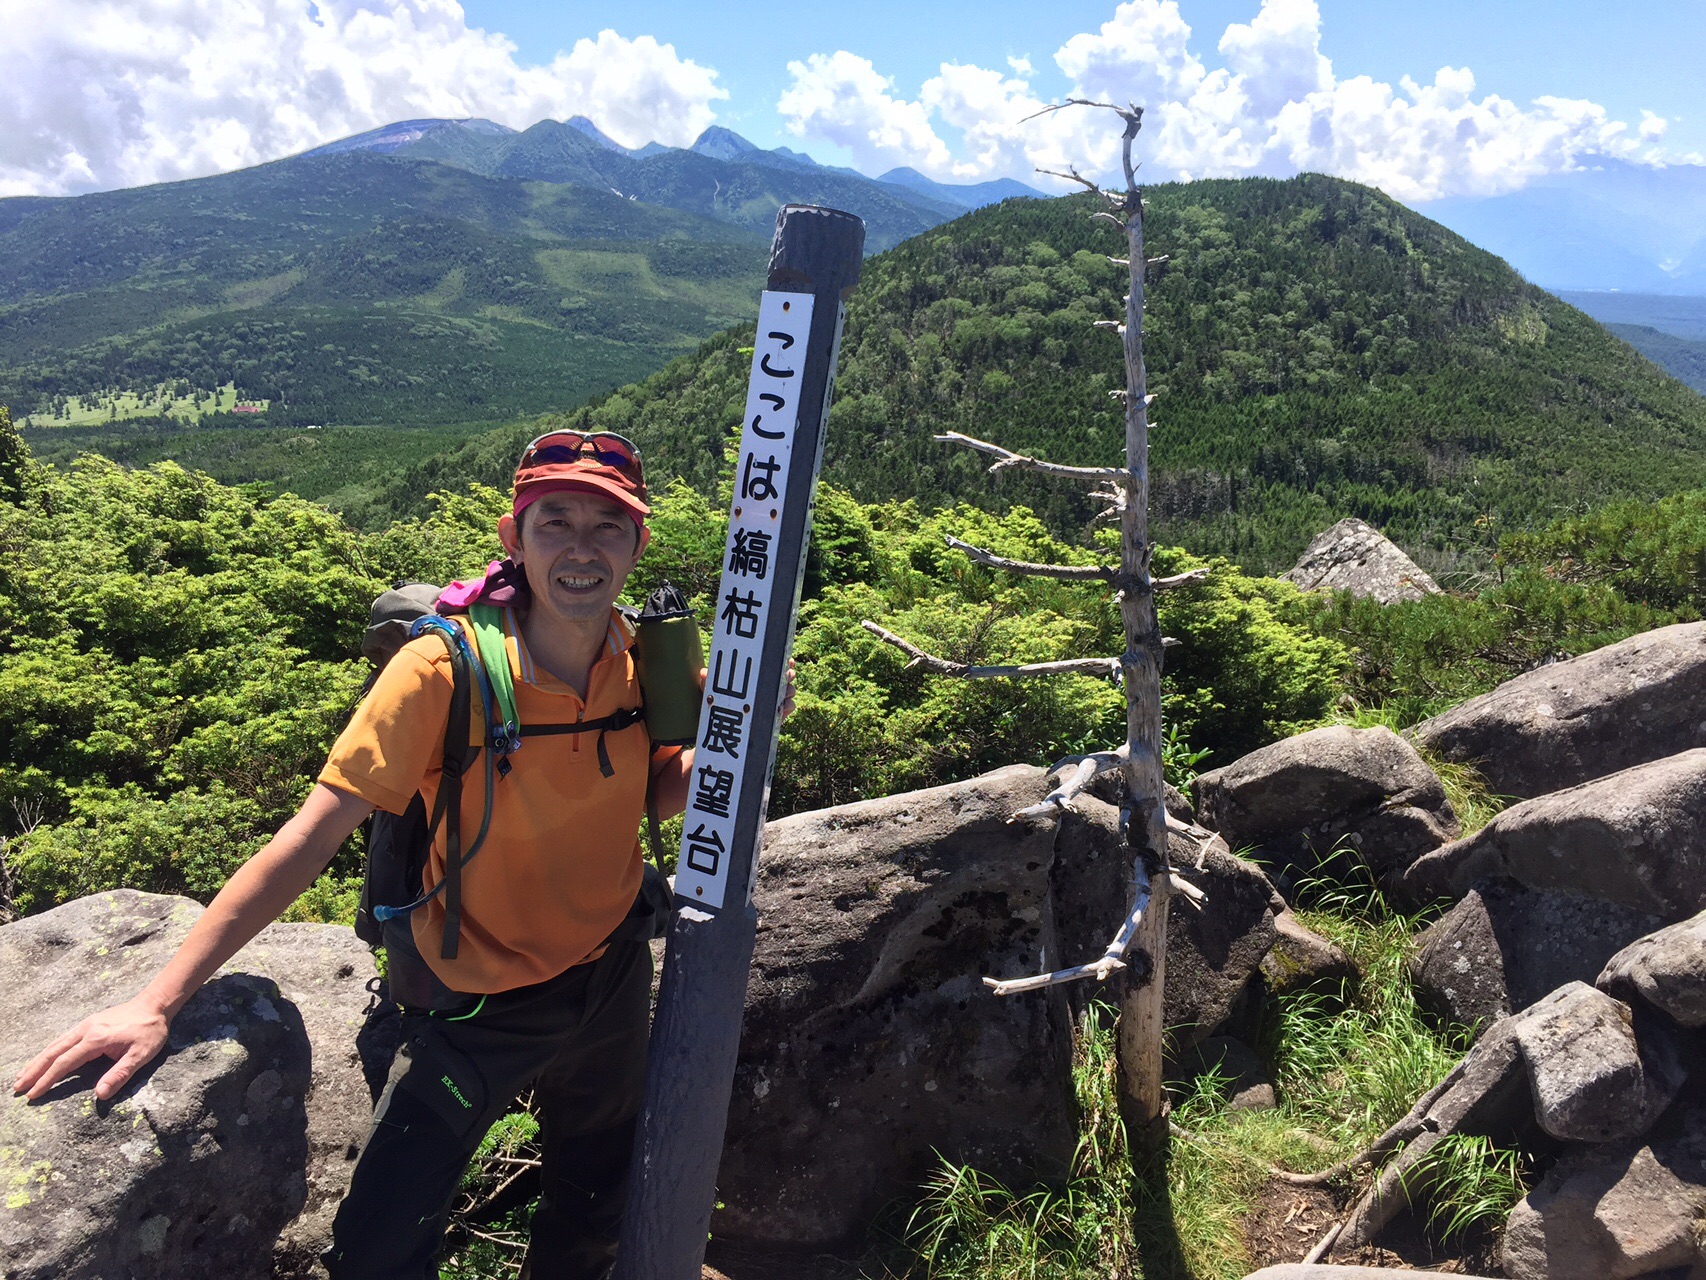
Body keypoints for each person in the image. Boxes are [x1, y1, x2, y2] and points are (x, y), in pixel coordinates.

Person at [13, 430, 791, 1279]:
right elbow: (310, 837)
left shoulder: (644, 661)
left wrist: (745, 731)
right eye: (556, 522)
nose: (582, 548)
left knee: (593, 1205)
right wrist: (157, 1001)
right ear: (514, 538)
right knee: (376, 1253)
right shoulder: (439, 671)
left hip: (608, 974)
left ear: (638, 545)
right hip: (475, 1006)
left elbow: (649, 790)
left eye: (608, 526)